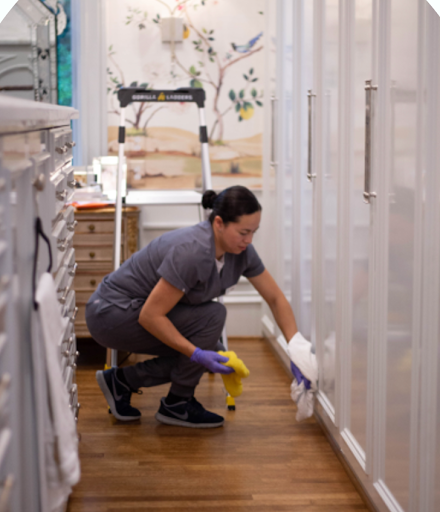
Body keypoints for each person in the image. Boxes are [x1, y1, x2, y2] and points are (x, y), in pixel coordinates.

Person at [86, 185, 301, 429]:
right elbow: (151, 316)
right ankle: (178, 402)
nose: (249, 240)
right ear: (219, 223)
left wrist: (296, 350)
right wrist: (196, 353)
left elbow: (275, 298)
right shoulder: (193, 252)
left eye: (254, 232)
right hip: (111, 314)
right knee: (210, 322)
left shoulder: (241, 252)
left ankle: (121, 382)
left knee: (212, 347)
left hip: (136, 311)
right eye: (243, 232)